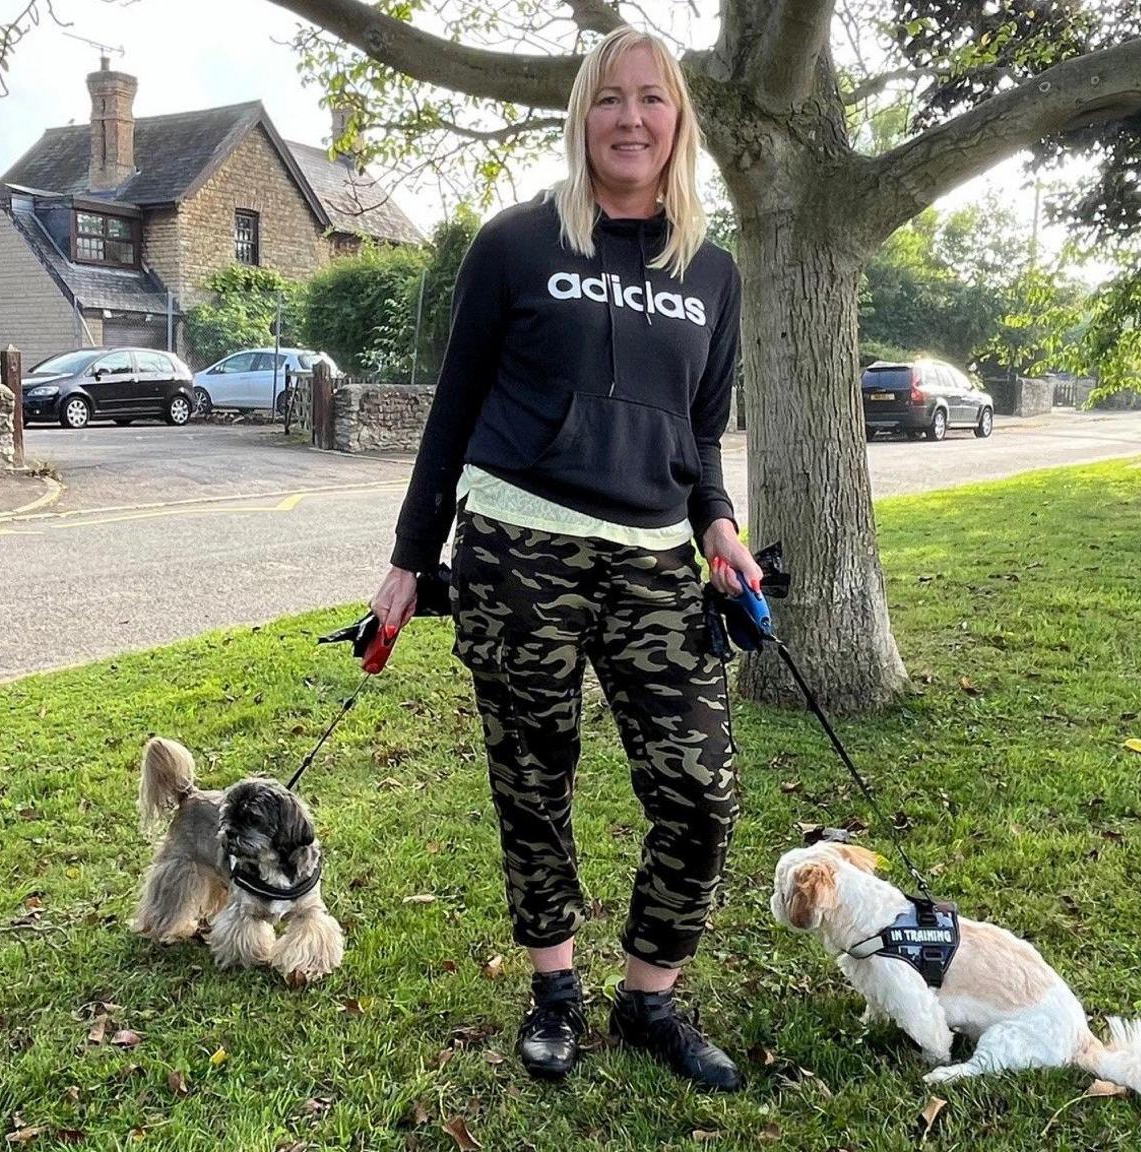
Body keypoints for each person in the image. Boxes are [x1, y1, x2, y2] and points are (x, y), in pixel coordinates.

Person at [368, 25, 761, 1092]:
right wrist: (410, 558)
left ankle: (647, 999)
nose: (630, 119)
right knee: (532, 783)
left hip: (650, 560)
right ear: (580, 115)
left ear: (677, 122)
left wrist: (717, 525)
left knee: (699, 790)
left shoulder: (712, 273)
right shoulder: (514, 244)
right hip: (516, 544)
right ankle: (552, 992)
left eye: (651, 100)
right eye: (608, 99)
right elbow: (450, 412)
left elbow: (699, 432)